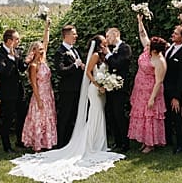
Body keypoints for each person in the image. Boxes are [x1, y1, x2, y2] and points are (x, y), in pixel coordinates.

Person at [8, 36, 125, 183]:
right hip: (82, 90)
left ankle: (97, 142)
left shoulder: (99, 56)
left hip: (62, 92)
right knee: (83, 116)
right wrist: (96, 82)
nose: (106, 44)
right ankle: (80, 143)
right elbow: (65, 71)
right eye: (104, 42)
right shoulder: (49, 58)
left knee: (95, 115)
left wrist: (106, 81)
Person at [128, 14, 165, 152]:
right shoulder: (148, 51)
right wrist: (140, 22)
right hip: (140, 90)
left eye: (150, 46)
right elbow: (143, 36)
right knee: (141, 115)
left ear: (155, 50)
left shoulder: (159, 61)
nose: (147, 46)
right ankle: (143, 140)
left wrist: (152, 98)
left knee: (150, 115)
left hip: (151, 91)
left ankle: (150, 143)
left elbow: (159, 81)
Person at [21, 17, 58, 152]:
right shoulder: (34, 65)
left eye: (42, 48)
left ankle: (47, 141)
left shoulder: (43, 61)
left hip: (48, 93)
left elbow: (46, 42)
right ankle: (37, 142)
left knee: (48, 118)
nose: (42, 50)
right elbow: (34, 84)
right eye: (39, 49)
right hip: (40, 95)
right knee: (39, 118)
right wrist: (38, 100)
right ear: (33, 51)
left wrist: (47, 27)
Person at [0, 28, 27, 151]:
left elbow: (22, 68)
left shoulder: (17, 51)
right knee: (7, 118)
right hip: (7, 92)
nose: (18, 41)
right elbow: (4, 73)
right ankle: (6, 145)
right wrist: (11, 60)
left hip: (19, 90)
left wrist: (26, 61)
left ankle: (20, 140)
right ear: (9, 41)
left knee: (21, 116)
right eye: (16, 39)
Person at [163, 21, 182, 151]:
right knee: (167, 116)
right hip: (165, 87)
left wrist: (176, 97)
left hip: (174, 90)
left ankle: (180, 144)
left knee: (176, 117)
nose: (173, 35)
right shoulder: (170, 47)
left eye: (176, 34)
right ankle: (167, 140)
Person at [53, 26, 84, 148]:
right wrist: (75, 65)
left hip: (77, 88)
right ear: (66, 36)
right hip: (67, 90)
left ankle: (71, 141)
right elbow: (61, 70)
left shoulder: (75, 50)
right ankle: (61, 143)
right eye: (74, 34)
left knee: (74, 116)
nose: (76, 36)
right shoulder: (59, 52)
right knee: (65, 116)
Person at [101, 27, 132, 149]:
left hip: (120, 87)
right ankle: (117, 141)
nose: (107, 38)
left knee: (119, 114)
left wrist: (108, 54)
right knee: (112, 114)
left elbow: (118, 63)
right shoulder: (113, 50)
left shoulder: (125, 48)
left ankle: (125, 142)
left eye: (108, 36)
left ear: (115, 34)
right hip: (110, 86)